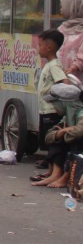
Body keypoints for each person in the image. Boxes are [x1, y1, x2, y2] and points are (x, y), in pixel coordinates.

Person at [29, 30, 72, 186]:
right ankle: (51, 171)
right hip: (45, 109)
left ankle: (56, 173)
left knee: (55, 143)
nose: (37, 49)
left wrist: (55, 94)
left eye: (39, 45)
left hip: (52, 110)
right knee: (47, 141)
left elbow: (64, 82)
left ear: (48, 47)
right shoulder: (49, 64)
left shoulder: (54, 65)